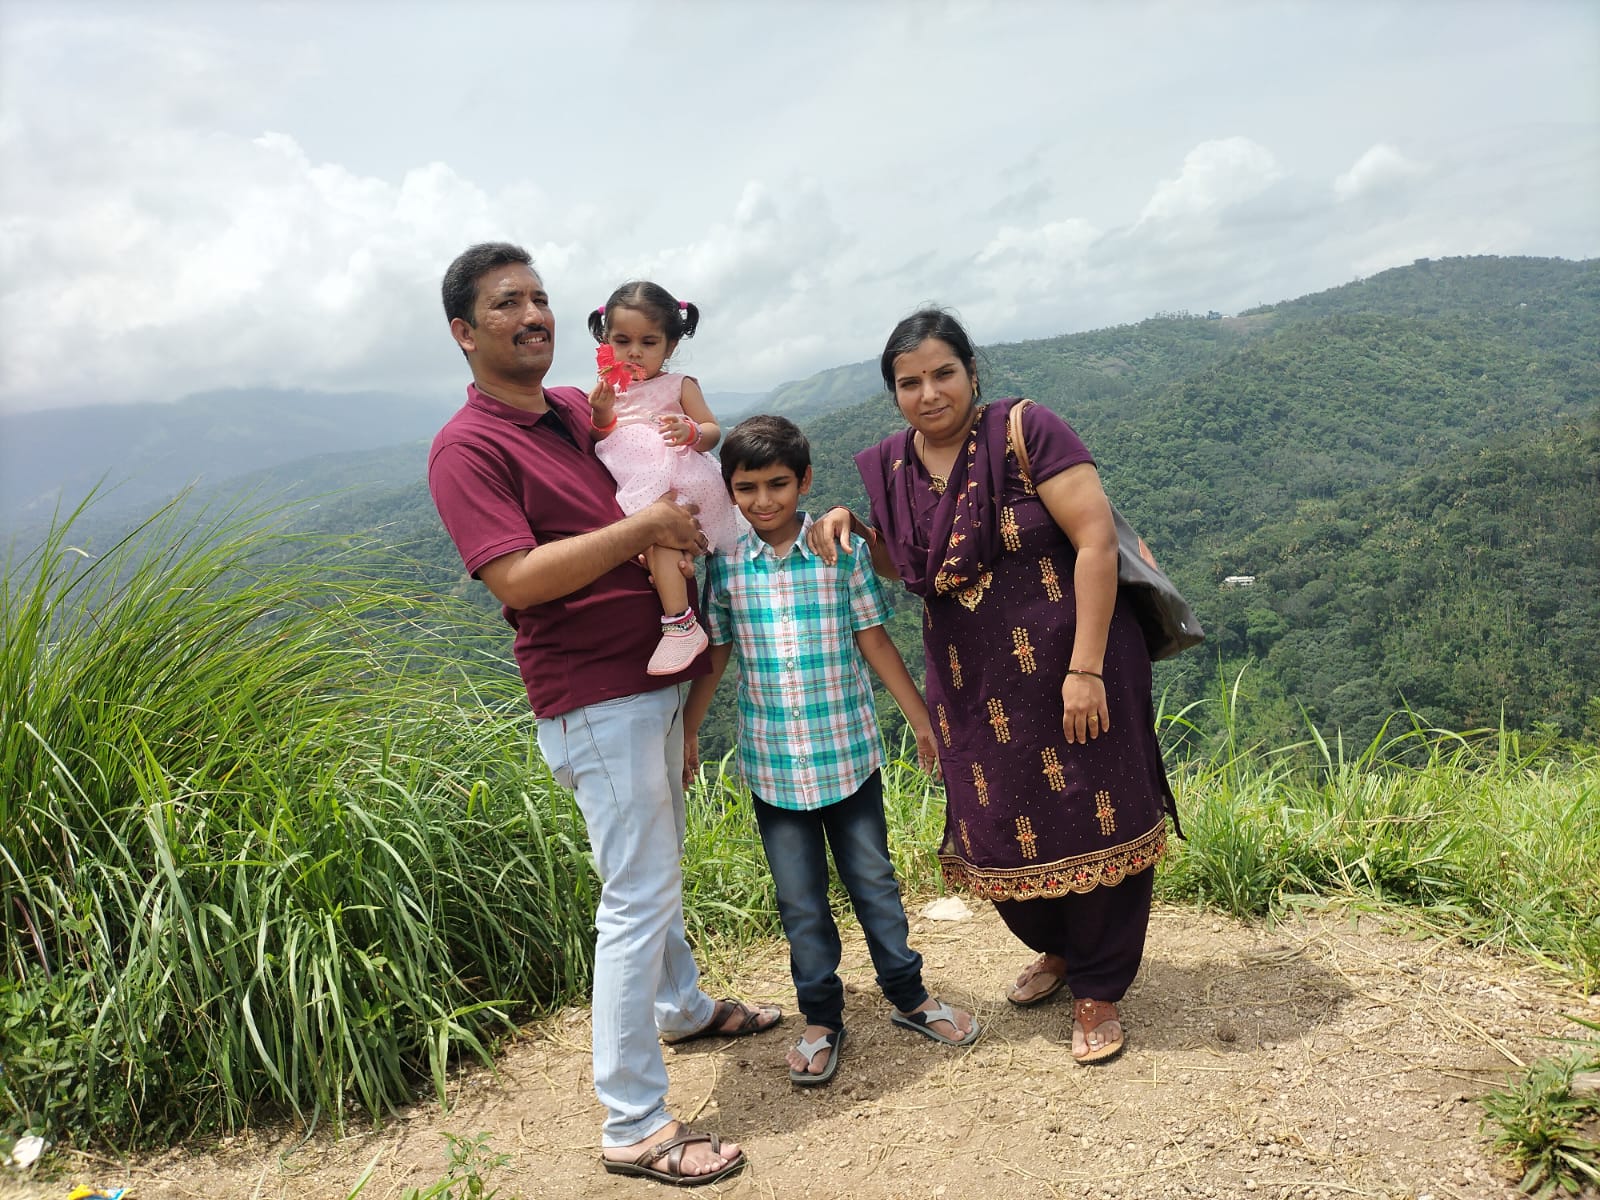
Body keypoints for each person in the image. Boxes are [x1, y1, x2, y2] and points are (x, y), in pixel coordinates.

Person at [427, 242, 780, 1187]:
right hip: (594, 691)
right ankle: (633, 1122)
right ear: (464, 332)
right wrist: (643, 532)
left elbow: (666, 450)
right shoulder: (469, 448)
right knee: (636, 894)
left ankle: (681, 1008)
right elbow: (516, 577)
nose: (532, 315)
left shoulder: (571, 411)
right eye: (507, 303)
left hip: (654, 675)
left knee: (654, 869)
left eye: (540, 298)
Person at [808, 309, 1179, 1064]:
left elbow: (1095, 541)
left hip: (1076, 661)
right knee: (999, 819)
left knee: (1096, 811)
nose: (929, 393)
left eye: (943, 373)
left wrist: (1085, 670)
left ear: (972, 373)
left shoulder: (1026, 431)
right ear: (893, 393)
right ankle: (1060, 947)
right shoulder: (895, 468)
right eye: (909, 382)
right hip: (974, 682)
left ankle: (1100, 985)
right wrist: (856, 526)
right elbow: (905, 567)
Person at [683, 415, 979, 1086]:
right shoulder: (726, 565)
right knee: (800, 901)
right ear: (729, 490)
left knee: (874, 882)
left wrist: (922, 721)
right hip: (773, 766)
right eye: (747, 488)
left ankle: (909, 996)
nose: (763, 501)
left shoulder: (838, 552)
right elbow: (718, 651)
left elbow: (873, 638)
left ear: (805, 481)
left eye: (778, 484)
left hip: (847, 756)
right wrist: (690, 729)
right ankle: (821, 1018)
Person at [588, 281, 739, 675]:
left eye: (649, 342)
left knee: (660, 532)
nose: (634, 352)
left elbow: (712, 431)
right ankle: (679, 618)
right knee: (654, 538)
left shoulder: (679, 384)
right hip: (642, 484)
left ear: (670, 346)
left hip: (680, 476)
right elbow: (604, 440)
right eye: (622, 341)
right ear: (606, 341)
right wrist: (601, 413)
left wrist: (691, 432)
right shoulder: (608, 390)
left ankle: (681, 624)